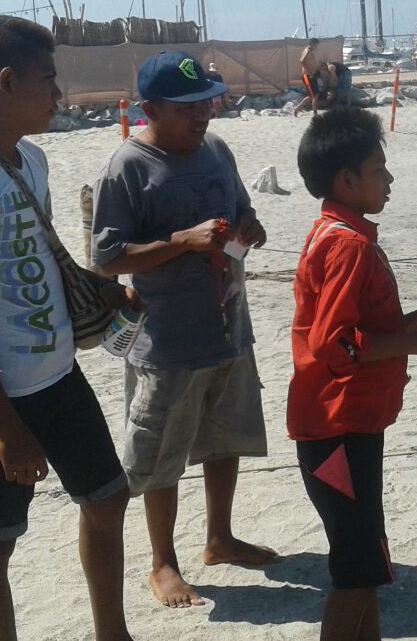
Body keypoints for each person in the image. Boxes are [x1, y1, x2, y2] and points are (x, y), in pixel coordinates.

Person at [0, 15, 135, 641]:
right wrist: (7, 429)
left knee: (107, 498)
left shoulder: (31, 159)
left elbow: (41, 259)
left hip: (58, 376)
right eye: (49, 80)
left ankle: (111, 633)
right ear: (7, 82)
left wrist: (107, 294)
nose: (59, 94)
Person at [91, 50, 277, 609]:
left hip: (227, 328)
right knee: (161, 453)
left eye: (208, 102)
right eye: (188, 106)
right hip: (166, 342)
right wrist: (180, 242)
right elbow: (105, 258)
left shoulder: (217, 150)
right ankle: (162, 563)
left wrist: (251, 227)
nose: (204, 115)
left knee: (225, 439)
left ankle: (219, 538)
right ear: (149, 108)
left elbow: (244, 213)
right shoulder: (127, 167)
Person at [290, 107, 417, 641]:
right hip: (336, 429)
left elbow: (350, 324)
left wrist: (407, 323)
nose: (389, 180)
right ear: (347, 180)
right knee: (354, 570)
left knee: (367, 561)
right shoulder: (348, 244)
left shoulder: (337, 230)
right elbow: (335, 345)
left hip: (351, 424)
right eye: (379, 170)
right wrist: (415, 344)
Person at [293, 37, 325, 117]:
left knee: (312, 96)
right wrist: (310, 72)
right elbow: (302, 61)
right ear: (312, 44)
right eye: (316, 45)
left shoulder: (310, 51)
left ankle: (297, 109)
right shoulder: (308, 50)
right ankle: (315, 113)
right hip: (308, 76)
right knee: (315, 95)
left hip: (311, 76)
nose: (317, 47)